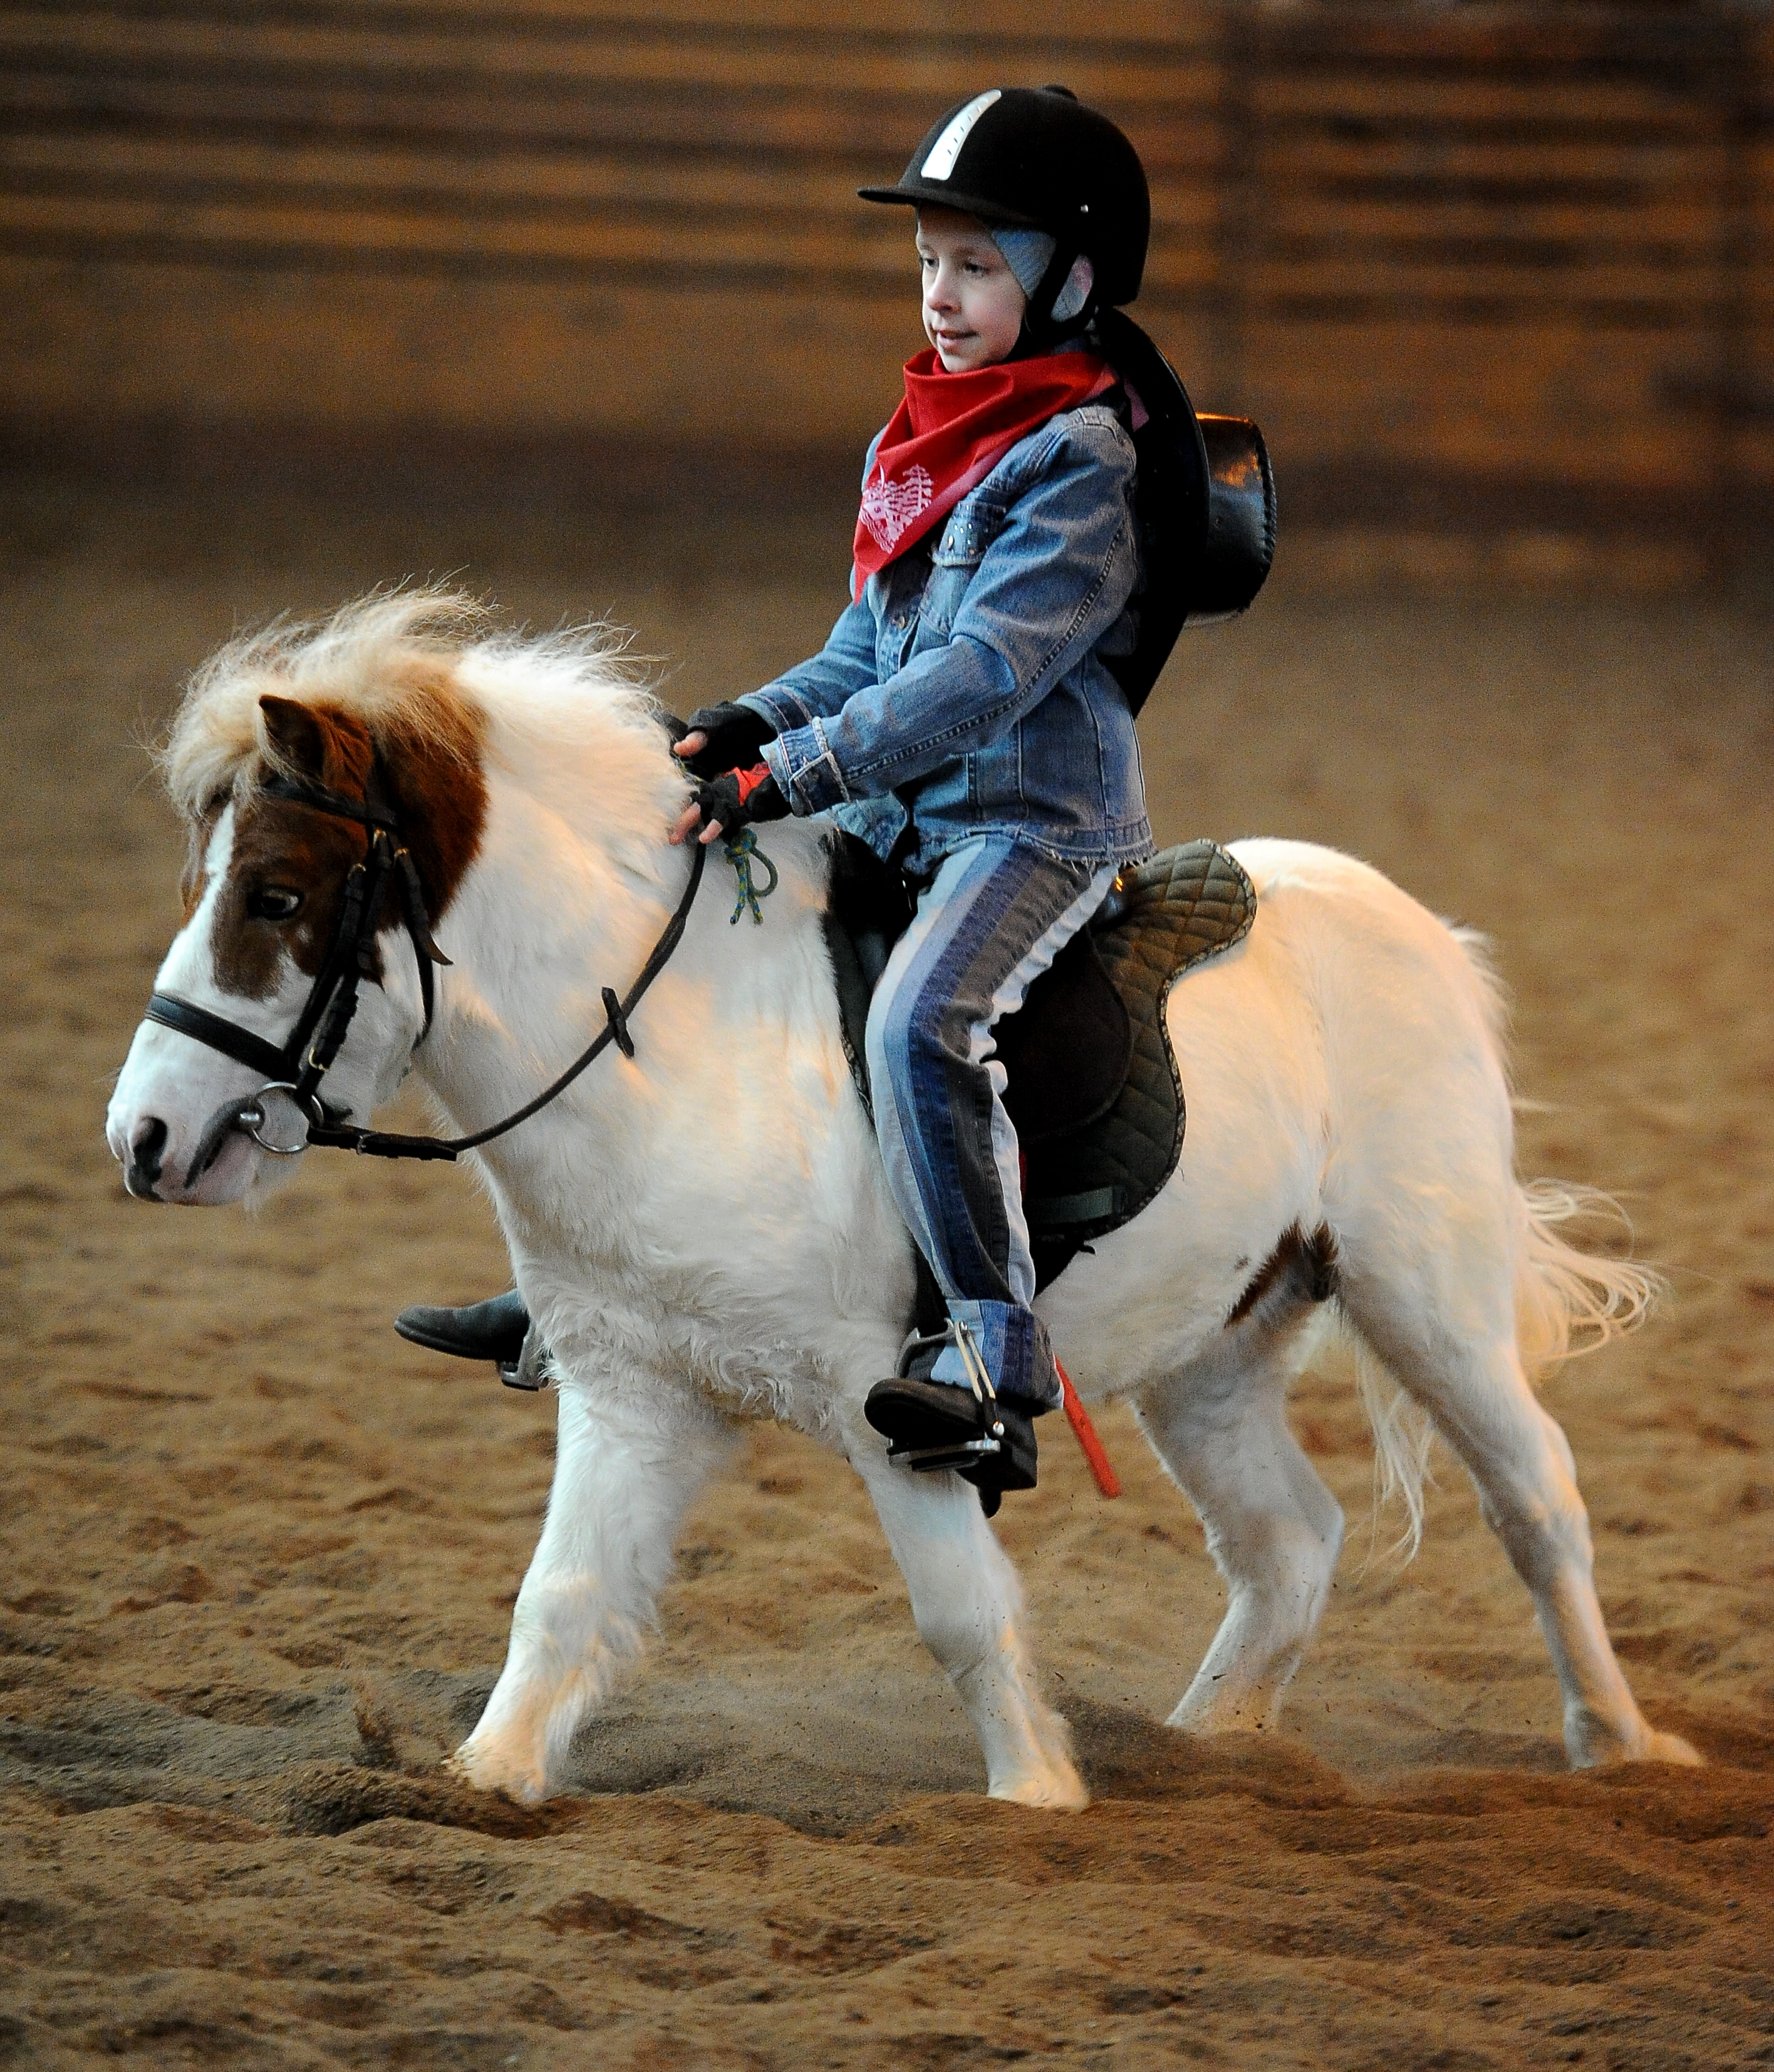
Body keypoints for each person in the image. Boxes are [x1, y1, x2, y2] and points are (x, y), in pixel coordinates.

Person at [398, 86, 1155, 1507]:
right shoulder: (928, 432)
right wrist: (747, 720)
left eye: (980, 264)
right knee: (700, 950)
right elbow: (871, 649)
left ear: (1073, 279)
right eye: (930, 260)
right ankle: (598, 1287)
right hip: (896, 808)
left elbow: (984, 677)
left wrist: (792, 773)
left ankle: (994, 1362)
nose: (941, 293)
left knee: (928, 1022)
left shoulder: (1082, 463)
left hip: (1026, 830)